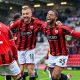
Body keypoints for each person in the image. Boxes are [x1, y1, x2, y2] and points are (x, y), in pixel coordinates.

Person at [42, 10, 80, 80]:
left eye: (51, 15)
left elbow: (75, 33)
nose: (48, 16)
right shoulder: (44, 27)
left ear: (56, 18)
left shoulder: (62, 28)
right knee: (55, 77)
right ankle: (67, 78)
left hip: (62, 54)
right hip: (52, 55)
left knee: (54, 76)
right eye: (48, 14)